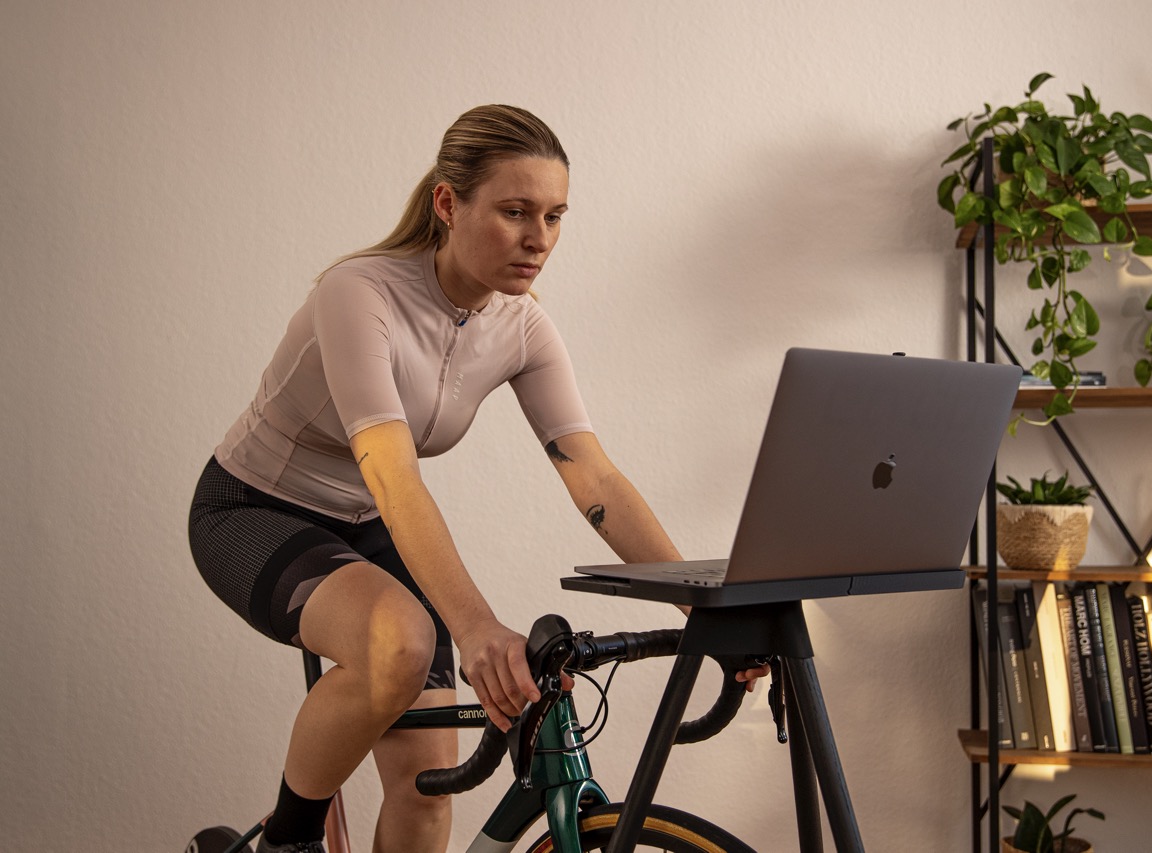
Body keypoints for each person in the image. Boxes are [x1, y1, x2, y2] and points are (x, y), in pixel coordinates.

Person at [188, 105, 764, 853]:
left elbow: (592, 475)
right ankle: (286, 844)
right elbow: (392, 475)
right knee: (400, 640)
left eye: (555, 216)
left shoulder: (521, 326)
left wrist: (703, 605)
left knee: (428, 793)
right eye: (516, 212)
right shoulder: (358, 294)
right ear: (448, 203)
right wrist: (477, 626)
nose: (540, 239)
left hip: (368, 529)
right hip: (252, 510)